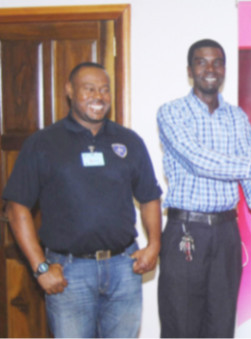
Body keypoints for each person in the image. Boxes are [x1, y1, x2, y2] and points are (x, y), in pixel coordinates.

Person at [156, 38, 251, 338]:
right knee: (181, 325)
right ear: (190, 70)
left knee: (221, 324)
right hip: (187, 231)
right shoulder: (171, 113)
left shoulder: (237, 116)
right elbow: (201, 161)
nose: (210, 69)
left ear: (224, 69)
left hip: (226, 232)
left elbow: (247, 164)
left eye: (217, 62)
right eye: (202, 62)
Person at [2, 62, 163, 337]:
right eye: (89, 89)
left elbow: (150, 197)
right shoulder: (43, 143)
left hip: (124, 269)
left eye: (104, 90)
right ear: (69, 91)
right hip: (68, 273)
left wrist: (154, 246)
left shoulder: (129, 141)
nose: (98, 97)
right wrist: (40, 267)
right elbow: (17, 207)